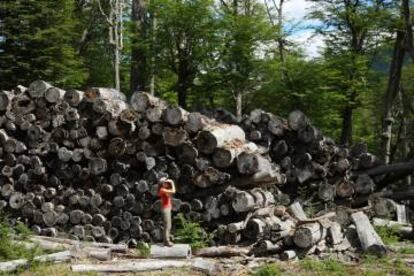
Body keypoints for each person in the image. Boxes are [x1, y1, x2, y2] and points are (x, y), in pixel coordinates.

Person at [158, 177, 176, 246]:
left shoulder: (165, 190)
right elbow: (173, 191)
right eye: (165, 183)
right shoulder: (162, 190)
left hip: (167, 208)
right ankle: (166, 241)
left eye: (167, 183)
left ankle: (167, 239)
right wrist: (172, 182)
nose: (167, 184)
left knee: (169, 225)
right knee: (167, 225)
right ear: (162, 184)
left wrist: (170, 184)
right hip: (165, 209)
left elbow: (170, 194)